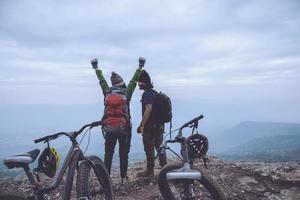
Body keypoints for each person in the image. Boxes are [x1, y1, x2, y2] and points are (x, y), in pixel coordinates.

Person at [91, 57, 144, 183]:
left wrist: (96, 68)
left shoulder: (107, 92)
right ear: (121, 83)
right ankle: (123, 178)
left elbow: (102, 81)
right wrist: (140, 67)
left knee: (108, 154)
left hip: (109, 129)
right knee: (123, 154)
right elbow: (134, 81)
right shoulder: (126, 92)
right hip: (124, 129)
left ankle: (106, 179)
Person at [137, 69, 167, 177]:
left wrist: (141, 125)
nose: (138, 84)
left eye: (139, 82)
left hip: (150, 127)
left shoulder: (147, 95)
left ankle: (150, 171)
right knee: (160, 147)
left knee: (149, 149)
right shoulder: (155, 93)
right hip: (159, 126)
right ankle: (165, 168)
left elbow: (148, 109)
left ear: (144, 83)